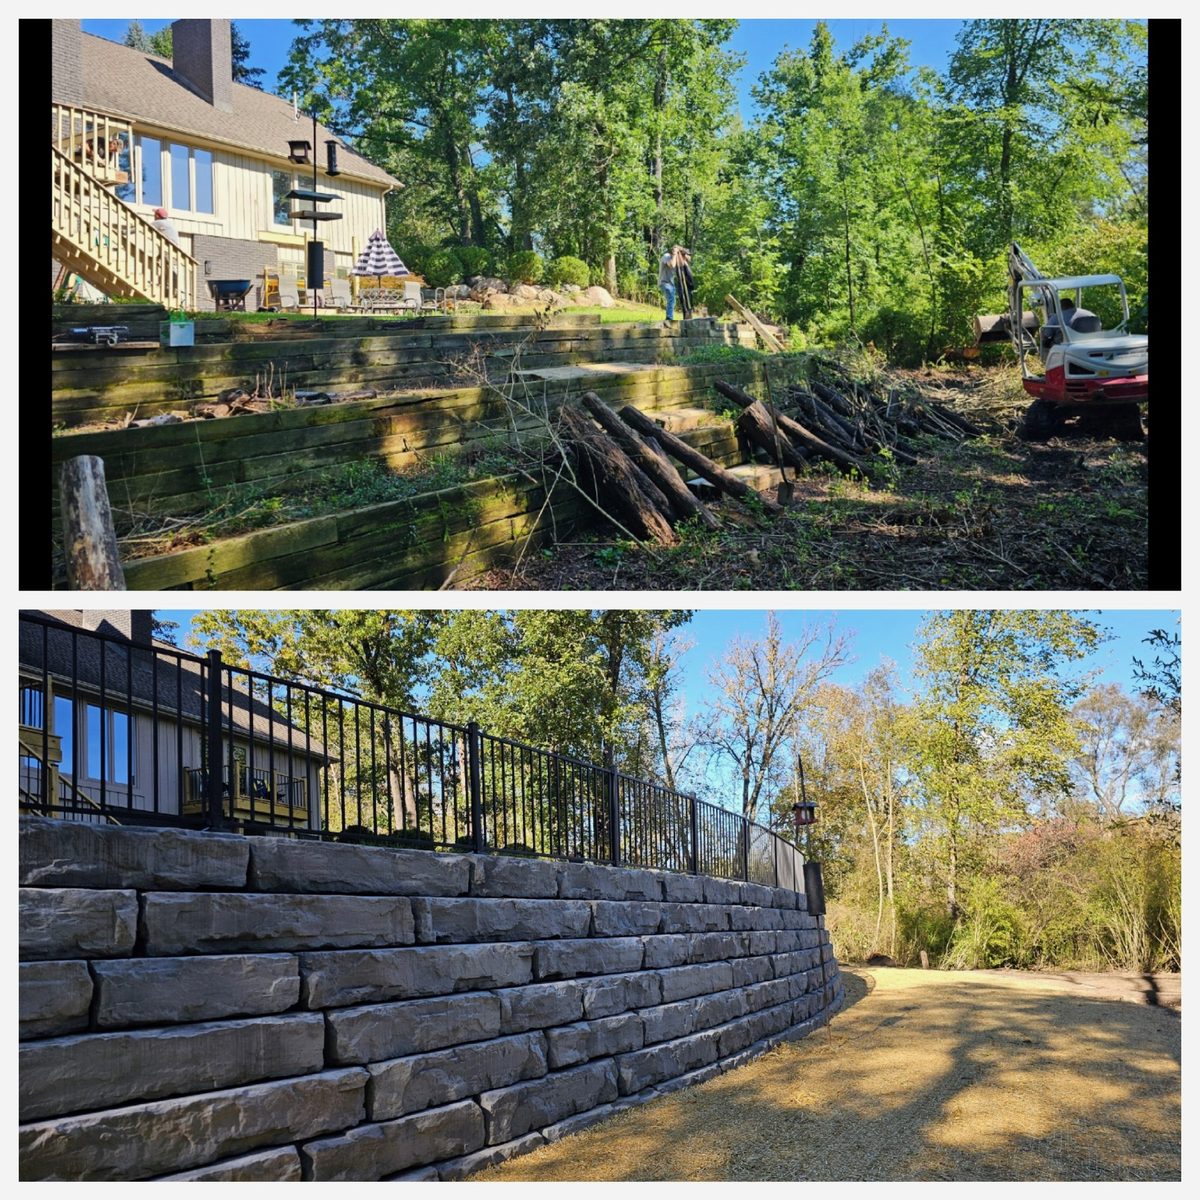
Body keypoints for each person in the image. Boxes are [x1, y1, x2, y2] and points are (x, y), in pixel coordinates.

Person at [659, 244, 683, 325]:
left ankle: (669, 318)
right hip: (665, 282)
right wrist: (675, 253)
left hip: (671, 284)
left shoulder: (675, 258)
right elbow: (672, 265)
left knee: (672, 300)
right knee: (671, 299)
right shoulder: (667, 256)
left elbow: (685, 262)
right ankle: (669, 319)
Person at [676, 249, 694, 320]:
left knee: (690, 308)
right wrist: (680, 251)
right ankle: (687, 322)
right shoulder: (682, 263)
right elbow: (677, 250)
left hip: (689, 289)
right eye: (688, 255)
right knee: (686, 308)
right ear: (684, 256)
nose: (690, 257)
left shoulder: (686, 263)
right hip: (685, 289)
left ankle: (689, 321)